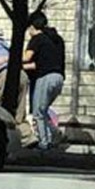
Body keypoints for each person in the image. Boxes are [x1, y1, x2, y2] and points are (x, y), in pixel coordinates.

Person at [23, 11, 65, 150]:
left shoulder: (37, 38)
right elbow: (38, 63)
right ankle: (55, 134)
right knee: (44, 109)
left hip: (45, 78)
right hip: (58, 78)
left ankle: (44, 142)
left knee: (37, 112)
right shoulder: (54, 40)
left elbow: (26, 58)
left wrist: (9, 59)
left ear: (31, 27)